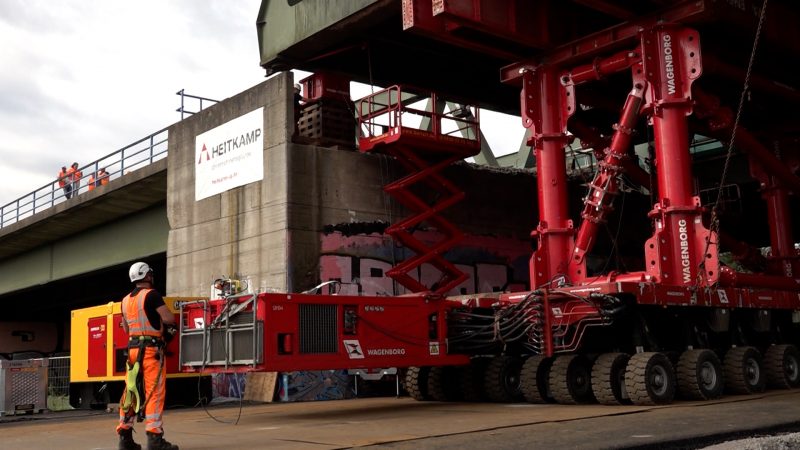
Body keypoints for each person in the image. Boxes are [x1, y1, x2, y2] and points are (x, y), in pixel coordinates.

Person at [116, 262, 179, 450]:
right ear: (147, 275)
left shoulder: (125, 300)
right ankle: (154, 439)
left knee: (131, 392)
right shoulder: (152, 295)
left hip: (133, 351)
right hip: (151, 351)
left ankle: (125, 438)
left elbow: (126, 328)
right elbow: (169, 319)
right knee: (154, 393)